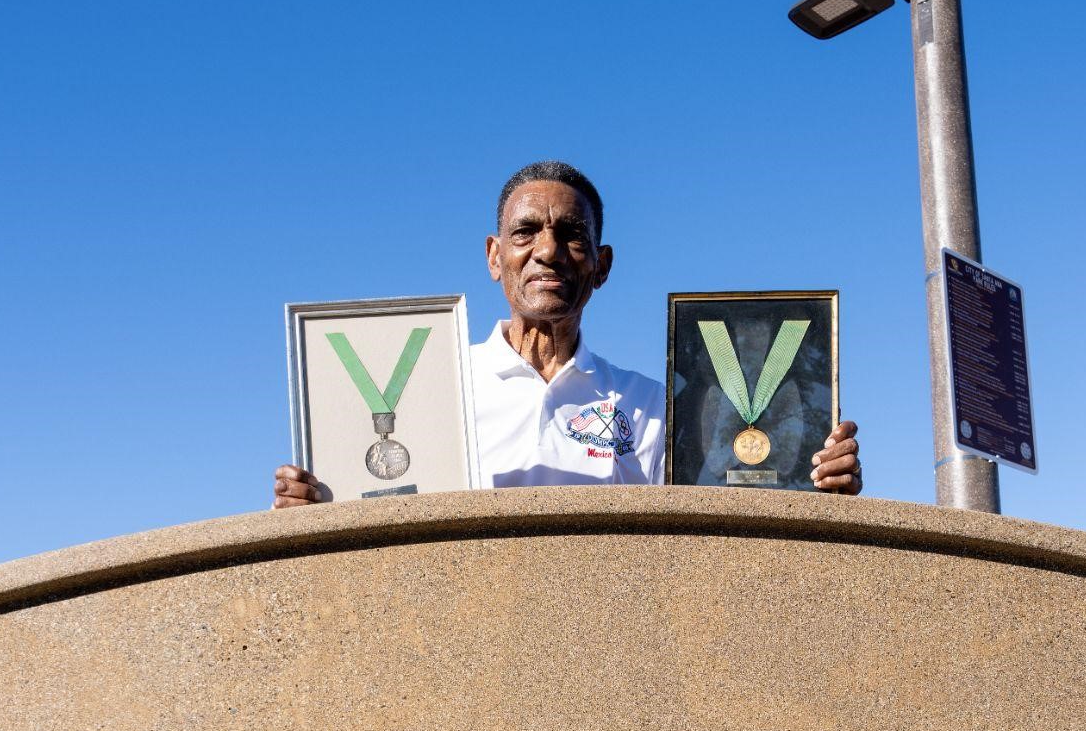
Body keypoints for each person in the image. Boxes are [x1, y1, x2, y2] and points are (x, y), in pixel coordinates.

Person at [273, 160, 862, 506]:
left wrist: (813, 487)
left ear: (601, 264)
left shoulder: (656, 408)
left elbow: (720, 531)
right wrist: (321, 505)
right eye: (526, 233)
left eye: (572, 235)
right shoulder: (434, 394)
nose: (548, 251)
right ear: (493, 256)